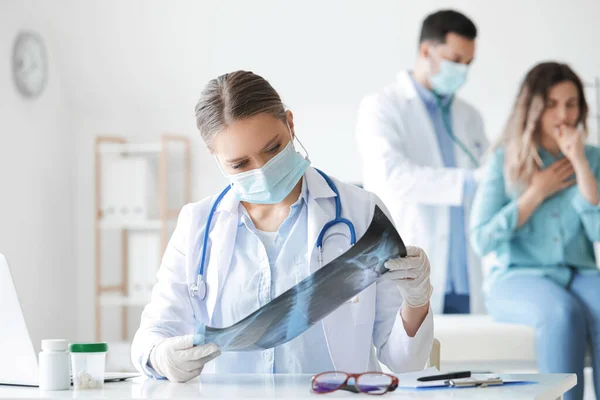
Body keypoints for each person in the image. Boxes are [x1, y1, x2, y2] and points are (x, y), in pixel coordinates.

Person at [131, 71, 434, 382]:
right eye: (240, 164)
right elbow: (154, 333)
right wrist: (159, 355)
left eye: (272, 149)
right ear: (215, 157)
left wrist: (416, 300)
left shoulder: (362, 212)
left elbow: (405, 362)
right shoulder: (197, 224)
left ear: (290, 124)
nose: (261, 171)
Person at [470, 62, 600, 400]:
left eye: (571, 104)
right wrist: (535, 193)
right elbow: (481, 238)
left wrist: (581, 165)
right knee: (561, 313)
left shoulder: (594, 158)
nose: (564, 115)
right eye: (552, 104)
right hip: (516, 276)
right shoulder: (504, 160)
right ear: (534, 108)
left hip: (578, 272)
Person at [356, 10, 488, 314]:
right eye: (456, 60)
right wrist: (469, 182)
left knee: (475, 358)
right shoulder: (382, 107)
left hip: (466, 275)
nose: (463, 71)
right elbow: (392, 176)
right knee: (419, 358)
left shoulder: (469, 116)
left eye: (468, 64)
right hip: (413, 266)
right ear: (426, 51)